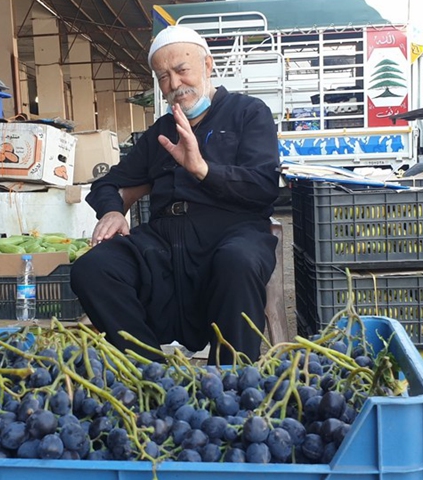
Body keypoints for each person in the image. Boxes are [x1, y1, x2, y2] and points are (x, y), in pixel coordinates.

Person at [69, 25, 282, 365]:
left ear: (207, 65)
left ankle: (232, 383)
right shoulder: (160, 133)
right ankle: (148, 371)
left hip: (232, 231)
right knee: (92, 269)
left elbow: (263, 186)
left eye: (181, 70)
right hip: (164, 239)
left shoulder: (247, 113)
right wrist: (111, 211)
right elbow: (106, 184)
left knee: (238, 262)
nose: (174, 84)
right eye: (163, 76)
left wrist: (203, 169)